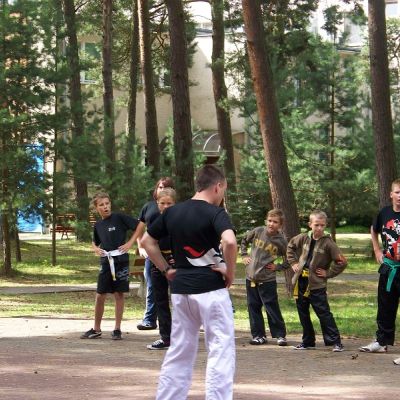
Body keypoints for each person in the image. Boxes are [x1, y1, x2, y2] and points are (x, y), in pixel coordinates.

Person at [141, 165, 237, 400]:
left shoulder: (172, 212)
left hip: (181, 291)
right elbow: (230, 242)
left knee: (180, 349)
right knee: (220, 348)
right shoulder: (216, 213)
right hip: (211, 290)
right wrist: (230, 272)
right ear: (218, 186)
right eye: (223, 190)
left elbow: (146, 241)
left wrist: (166, 269)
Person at [81, 192, 140, 340]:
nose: (105, 207)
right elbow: (95, 242)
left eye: (107, 203)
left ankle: (117, 329)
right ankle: (96, 329)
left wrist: (130, 243)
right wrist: (95, 249)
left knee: (119, 294)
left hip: (121, 261)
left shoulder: (119, 218)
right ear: (96, 208)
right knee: (100, 294)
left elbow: (140, 225)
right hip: (106, 262)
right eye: (101, 205)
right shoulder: (98, 225)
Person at [287, 210, 347, 352]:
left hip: (316, 284)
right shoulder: (303, 238)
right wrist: (293, 262)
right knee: (303, 312)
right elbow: (290, 246)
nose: (319, 228)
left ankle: (336, 342)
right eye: (316, 225)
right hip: (301, 282)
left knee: (323, 313)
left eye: (322, 225)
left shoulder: (328, 243)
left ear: (325, 225)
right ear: (310, 224)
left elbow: (342, 262)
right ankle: (308, 341)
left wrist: (329, 273)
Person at [359, 179, 400, 359]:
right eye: (397, 192)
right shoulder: (385, 213)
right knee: (385, 307)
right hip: (389, 268)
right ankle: (382, 342)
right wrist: (377, 250)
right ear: (391, 194)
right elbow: (373, 229)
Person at [240, 209, 289, 346]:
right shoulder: (258, 231)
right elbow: (244, 240)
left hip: (267, 280)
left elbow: (291, 257)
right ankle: (258, 335)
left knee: (271, 307)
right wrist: (244, 255)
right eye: (270, 220)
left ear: (280, 225)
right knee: (253, 307)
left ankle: (280, 335)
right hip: (251, 278)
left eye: (275, 222)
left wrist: (278, 267)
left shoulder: (281, 241)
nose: (271, 224)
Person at [136, 177, 175, 330]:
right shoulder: (149, 207)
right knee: (154, 288)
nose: (162, 189)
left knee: (177, 292)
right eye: (160, 187)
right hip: (153, 255)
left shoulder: (177, 212)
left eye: (166, 187)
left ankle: (181, 325)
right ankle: (151, 320)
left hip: (173, 256)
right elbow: (140, 229)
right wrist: (141, 247)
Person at [147, 188, 176, 350]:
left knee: (179, 300)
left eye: (169, 203)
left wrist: (176, 257)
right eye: (162, 203)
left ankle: (182, 336)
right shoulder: (153, 218)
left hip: (176, 261)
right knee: (160, 300)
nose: (165, 206)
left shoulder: (179, 219)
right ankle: (166, 337)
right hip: (158, 262)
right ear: (157, 203)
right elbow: (150, 241)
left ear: (175, 204)